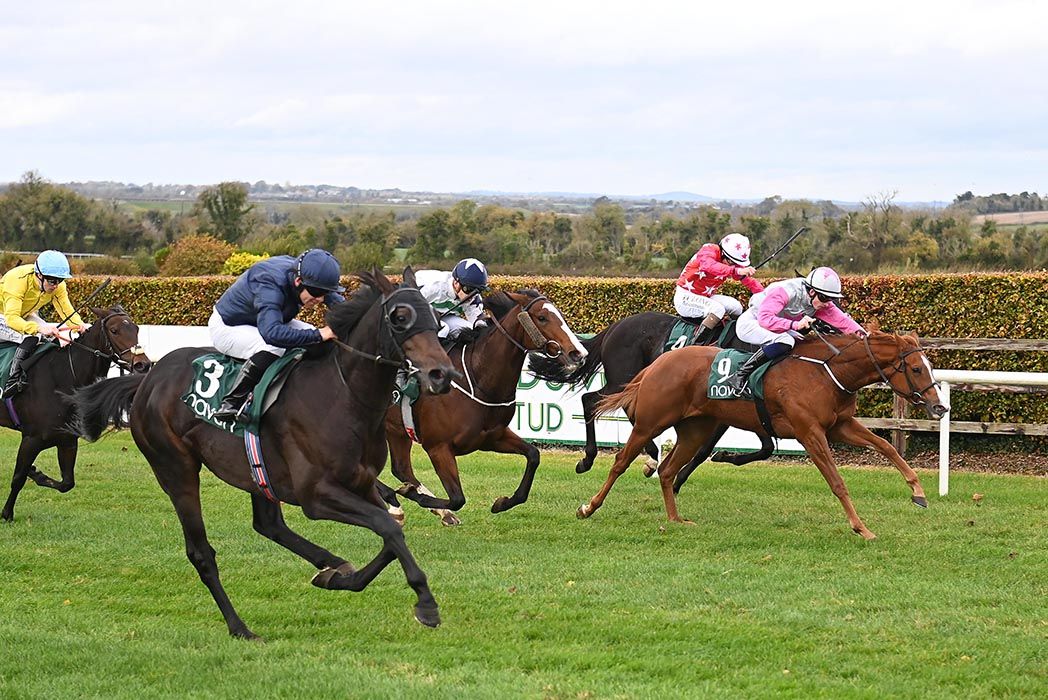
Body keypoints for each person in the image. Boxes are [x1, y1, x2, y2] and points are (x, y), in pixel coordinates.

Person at [210, 249, 345, 423]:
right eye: (317, 294)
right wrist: (320, 334)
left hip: (263, 320)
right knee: (276, 345)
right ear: (298, 281)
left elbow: (339, 305)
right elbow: (271, 333)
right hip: (229, 326)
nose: (320, 300)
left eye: (324, 294)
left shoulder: (309, 278)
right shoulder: (270, 282)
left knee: (312, 334)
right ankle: (232, 403)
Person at [725, 266, 865, 396]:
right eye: (824, 298)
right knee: (786, 340)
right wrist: (795, 324)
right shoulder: (785, 291)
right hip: (752, 323)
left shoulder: (819, 302)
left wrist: (864, 335)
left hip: (776, 326)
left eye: (831, 299)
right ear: (812, 291)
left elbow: (843, 321)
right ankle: (739, 374)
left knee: (801, 342)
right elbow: (765, 320)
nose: (827, 303)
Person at [1, 250, 87, 399]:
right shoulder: (17, 281)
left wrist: (81, 325)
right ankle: (12, 381)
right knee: (31, 336)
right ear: (39, 275)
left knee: (51, 338)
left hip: (25, 314)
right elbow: (12, 319)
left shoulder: (58, 286)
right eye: (52, 281)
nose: (56, 285)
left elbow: (67, 312)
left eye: (60, 280)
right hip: (6, 315)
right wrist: (38, 328)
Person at [674, 233, 764, 343]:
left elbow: (749, 281)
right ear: (723, 253)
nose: (733, 266)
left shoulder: (730, 262)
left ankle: (733, 339)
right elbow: (708, 265)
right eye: (732, 263)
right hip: (685, 297)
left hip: (705, 297)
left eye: (736, 264)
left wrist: (764, 295)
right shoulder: (709, 249)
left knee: (736, 307)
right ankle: (695, 343)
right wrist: (736, 270)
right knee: (718, 309)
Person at [415, 257, 489, 342]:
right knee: (443, 329)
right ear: (456, 283)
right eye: (469, 289)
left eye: (477, 291)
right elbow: (411, 307)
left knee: (469, 331)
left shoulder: (473, 298)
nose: (473, 295)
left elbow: (477, 320)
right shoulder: (434, 287)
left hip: (445, 317)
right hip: (421, 314)